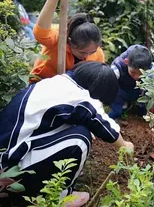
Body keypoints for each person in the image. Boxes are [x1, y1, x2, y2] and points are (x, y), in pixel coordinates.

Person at [0, 61, 134, 206]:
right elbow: (104, 125)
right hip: (8, 172)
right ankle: (61, 196)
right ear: (98, 92)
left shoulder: (56, 83)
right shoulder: (79, 95)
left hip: (9, 157)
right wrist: (125, 145)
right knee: (80, 138)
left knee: (76, 127)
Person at [30, 0, 105, 82]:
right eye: (82, 52)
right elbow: (40, 33)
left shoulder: (97, 54)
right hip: (41, 83)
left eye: (91, 52)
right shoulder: (59, 39)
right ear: (70, 42)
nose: (86, 56)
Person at [108, 45, 152, 119]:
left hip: (137, 91)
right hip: (120, 91)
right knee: (116, 112)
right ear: (126, 62)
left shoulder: (151, 70)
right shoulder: (116, 68)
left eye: (141, 74)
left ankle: (138, 108)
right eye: (133, 72)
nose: (137, 77)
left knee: (144, 110)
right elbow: (107, 83)